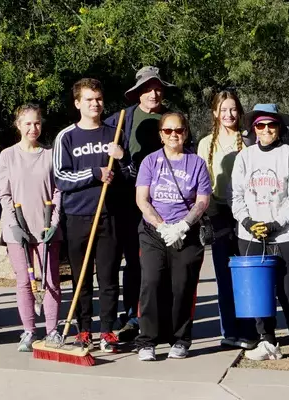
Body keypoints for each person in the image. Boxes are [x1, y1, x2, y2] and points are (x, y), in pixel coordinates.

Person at [231, 103, 289, 367]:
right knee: (259, 291)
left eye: (271, 125)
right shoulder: (244, 157)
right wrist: (248, 221)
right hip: (251, 235)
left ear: (279, 127)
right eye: (261, 125)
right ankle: (267, 340)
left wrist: (275, 224)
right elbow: (236, 196)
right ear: (253, 128)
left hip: (284, 235)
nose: (266, 130)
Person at [53, 78, 132, 353]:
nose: (95, 104)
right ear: (77, 103)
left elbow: (130, 176)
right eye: (88, 99)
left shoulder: (114, 132)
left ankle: (107, 330)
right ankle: (84, 329)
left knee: (109, 277)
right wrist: (94, 173)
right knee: (81, 277)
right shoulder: (67, 137)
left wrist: (121, 157)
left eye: (98, 99)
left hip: (109, 215)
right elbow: (61, 178)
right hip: (77, 215)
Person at [104, 66, 175, 342]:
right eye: (148, 88)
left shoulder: (172, 120)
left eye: (157, 88)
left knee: (163, 262)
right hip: (127, 201)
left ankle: (160, 315)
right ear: (138, 94)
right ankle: (132, 314)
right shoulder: (120, 121)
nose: (154, 93)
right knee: (134, 261)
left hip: (165, 203)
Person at [135, 111, 211, 361]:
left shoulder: (197, 163)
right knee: (152, 283)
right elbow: (142, 199)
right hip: (154, 233)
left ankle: (180, 339)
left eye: (178, 130)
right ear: (161, 135)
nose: (173, 135)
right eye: (168, 131)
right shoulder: (150, 162)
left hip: (185, 232)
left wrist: (184, 225)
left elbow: (202, 201)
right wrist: (161, 226)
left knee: (182, 286)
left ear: (186, 133)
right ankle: (147, 340)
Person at [0, 104, 62, 352]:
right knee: (25, 281)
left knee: (50, 281)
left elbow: (58, 191)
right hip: (18, 230)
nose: (33, 128)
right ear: (18, 125)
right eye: (27, 124)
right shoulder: (7, 156)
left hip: (46, 227)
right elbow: (4, 195)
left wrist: (54, 222)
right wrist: (14, 225)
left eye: (36, 123)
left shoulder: (50, 154)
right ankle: (29, 331)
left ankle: (53, 330)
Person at [197, 90, 257, 350]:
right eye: (223, 110)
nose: (228, 114)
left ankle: (251, 330)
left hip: (245, 212)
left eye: (233, 109)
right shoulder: (205, 143)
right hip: (218, 213)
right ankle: (230, 331)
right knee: (224, 272)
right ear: (215, 113)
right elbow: (200, 182)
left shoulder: (249, 141)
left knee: (247, 271)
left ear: (239, 112)